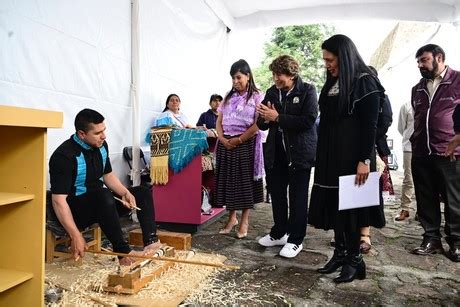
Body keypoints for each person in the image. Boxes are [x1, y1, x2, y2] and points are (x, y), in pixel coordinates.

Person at [308, 34, 386, 283]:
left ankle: (355, 261)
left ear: (344, 56)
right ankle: (340, 254)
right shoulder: (334, 82)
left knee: (352, 209)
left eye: (330, 60)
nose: (327, 65)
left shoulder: (366, 82)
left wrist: (364, 159)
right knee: (336, 208)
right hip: (331, 156)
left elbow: (370, 125)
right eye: (325, 60)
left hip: (354, 157)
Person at [49, 109, 159, 265]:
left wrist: (125, 193)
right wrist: (76, 235)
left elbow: (107, 175)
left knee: (141, 192)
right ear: (81, 134)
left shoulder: (101, 145)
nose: (104, 136)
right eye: (98, 133)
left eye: (104, 130)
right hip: (76, 211)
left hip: (101, 203)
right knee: (103, 194)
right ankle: (123, 253)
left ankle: (151, 242)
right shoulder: (63, 156)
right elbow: (58, 201)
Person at [256, 55, 318, 258]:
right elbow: (262, 123)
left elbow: (308, 121)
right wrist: (264, 116)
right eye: (274, 74)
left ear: (292, 74)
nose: (276, 79)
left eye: (279, 75)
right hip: (276, 152)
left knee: (298, 197)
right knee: (277, 194)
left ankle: (295, 239)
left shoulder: (308, 90)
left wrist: (278, 117)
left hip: (300, 153)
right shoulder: (272, 92)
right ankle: (279, 232)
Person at [410, 44, 460, 262]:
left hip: (450, 153)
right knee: (425, 198)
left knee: (454, 200)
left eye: (424, 60)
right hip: (422, 151)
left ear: (439, 57)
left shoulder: (457, 81)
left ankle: (457, 241)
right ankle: (431, 238)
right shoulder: (418, 88)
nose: (420, 65)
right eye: (419, 61)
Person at [215, 59, 265, 239]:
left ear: (248, 76)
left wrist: (239, 140)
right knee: (229, 182)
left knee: (244, 184)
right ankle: (232, 218)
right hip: (226, 143)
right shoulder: (228, 95)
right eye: (233, 78)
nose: (235, 82)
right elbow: (219, 120)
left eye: (238, 77)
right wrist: (221, 137)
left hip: (245, 143)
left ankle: (244, 220)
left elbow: (258, 124)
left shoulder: (258, 96)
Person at [359, 66, 394, 254]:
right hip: (352, 149)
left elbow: (385, 121)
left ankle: (365, 233)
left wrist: (368, 140)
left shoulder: (381, 96)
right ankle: (345, 230)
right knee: (350, 188)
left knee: (369, 191)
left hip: (374, 149)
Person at [396, 101, 415, 221]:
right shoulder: (407, 105)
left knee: (427, 180)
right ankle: (405, 208)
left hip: (429, 147)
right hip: (410, 147)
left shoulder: (434, 103)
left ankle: (423, 211)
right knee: (408, 178)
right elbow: (401, 128)